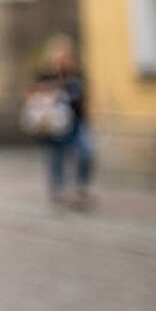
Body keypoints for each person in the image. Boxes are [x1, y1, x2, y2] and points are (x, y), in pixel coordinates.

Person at [39, 34, 95, 210]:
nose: (62, 59)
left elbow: (84, 98)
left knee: (85, 152)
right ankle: (59, 191)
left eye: (65, 55)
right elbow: (33, 96)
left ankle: (80, 188)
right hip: (55, 125)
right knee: (56, 159)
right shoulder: (46, 76)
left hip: (77, 122)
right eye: (58, 55)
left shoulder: (77, 75)